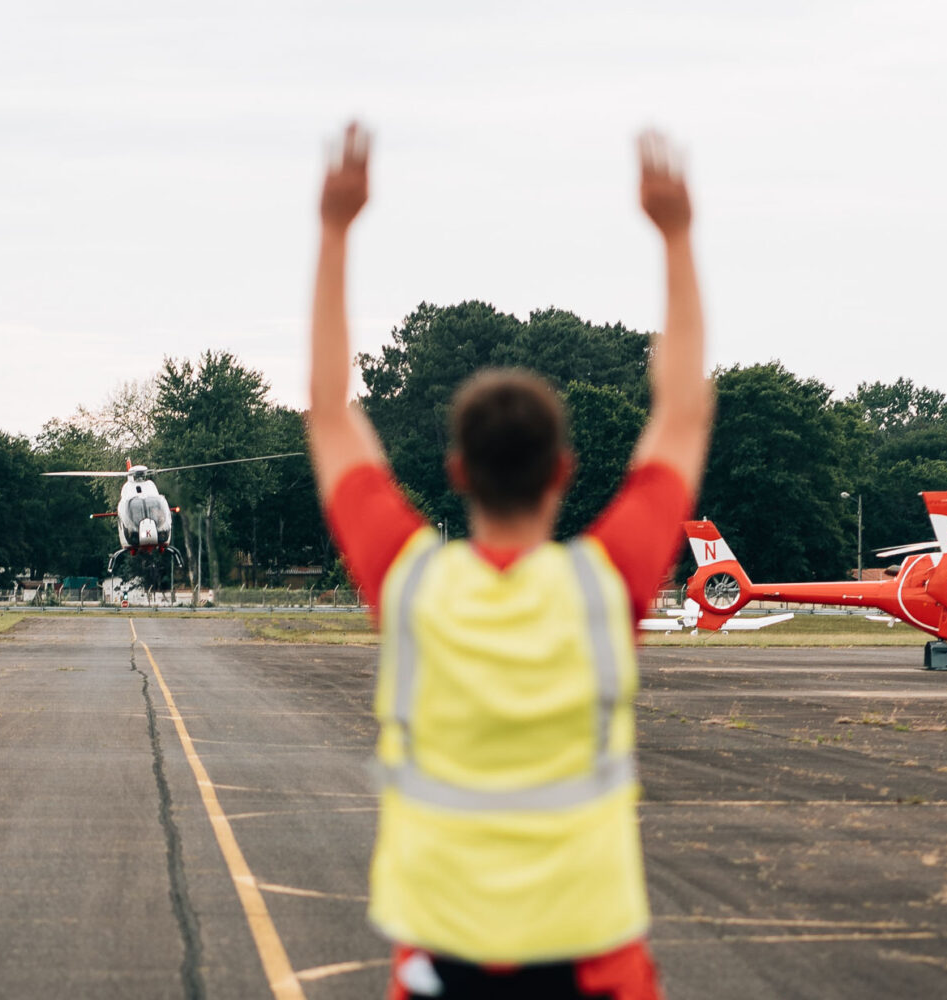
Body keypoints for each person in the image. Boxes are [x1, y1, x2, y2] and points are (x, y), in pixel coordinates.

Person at [306, 122, 710, 1000]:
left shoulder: (413, 583)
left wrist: (336, 228)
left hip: (442, 958)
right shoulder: (602, 587)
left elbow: (330, 412)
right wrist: (677, 237)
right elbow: (682, 413)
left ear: (456, 474)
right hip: (593, 957)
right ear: (564, 472)